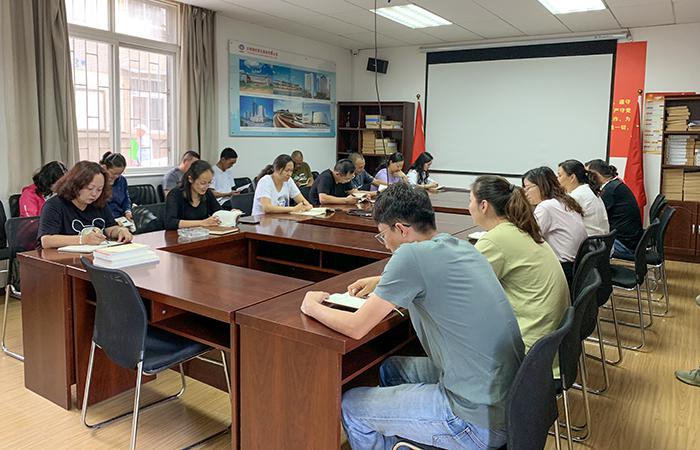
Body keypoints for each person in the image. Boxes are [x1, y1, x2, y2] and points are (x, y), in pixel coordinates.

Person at [300, 183, 524, 450]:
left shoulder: (409, 255)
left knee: (351, 406)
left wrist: (311, 305)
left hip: (473, 421)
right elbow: (431, 276)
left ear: (401, 229)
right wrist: (381, 281)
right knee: (390, 369)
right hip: (508, 404)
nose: (385, 244)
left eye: (383, 235)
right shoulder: (458, 246)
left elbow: (356, 326)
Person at [469, 175, 569, 370]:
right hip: (550, 346)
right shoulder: (519, 228)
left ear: (484, 206)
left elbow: (466, 292)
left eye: (470, 200)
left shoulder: (494, 240)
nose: (469, 206)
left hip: (530, 352)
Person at [37, 161, 133, 249]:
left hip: (96, 256)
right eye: (90, 188)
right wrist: (83, 240)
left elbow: (110, 228)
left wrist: (120, 231)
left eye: (99, 189)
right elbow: (46, 241)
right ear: (75, 185)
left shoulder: (99, 203)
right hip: (61, 258)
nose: (94, 194)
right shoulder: (54, 205)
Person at [522, 166, 587, 285]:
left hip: (562, 271)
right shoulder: (565, 201)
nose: (525, 193)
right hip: (575, 268)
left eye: (528, 188)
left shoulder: (546, 206)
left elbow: (528, 239)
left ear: (542, 186)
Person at [586, 159, 643, 259]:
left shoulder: (609, 190)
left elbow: (594, 216)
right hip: (631, 241)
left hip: (623, 245)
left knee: (583, 248)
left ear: (595, 175)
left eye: (587, 175)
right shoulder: (615, 185)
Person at [557, 159, 609, 236]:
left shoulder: (576, 196)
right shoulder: (587, 190)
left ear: (572, 177)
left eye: (559, 175)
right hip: (599, 240)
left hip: (588, 241)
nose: (557, 179)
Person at [164, 160, 222, 230]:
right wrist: (202, 223)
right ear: (190, 179)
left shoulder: (207, 193)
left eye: (209, 182)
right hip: (179, 234)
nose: (206, 187)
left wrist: (230, 214)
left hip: (202, 233)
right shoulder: (175, 194)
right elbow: (170, 223)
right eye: (203, 183)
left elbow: (218, 212)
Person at [99, 152, 132, 221]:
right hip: (103, 218)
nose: (116, 176)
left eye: (119, 173)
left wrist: (127, 211)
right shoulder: (99, 181)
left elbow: (126, 199)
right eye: (113, 173)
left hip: (120, 217)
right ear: (105, 168)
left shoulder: (122, 180)